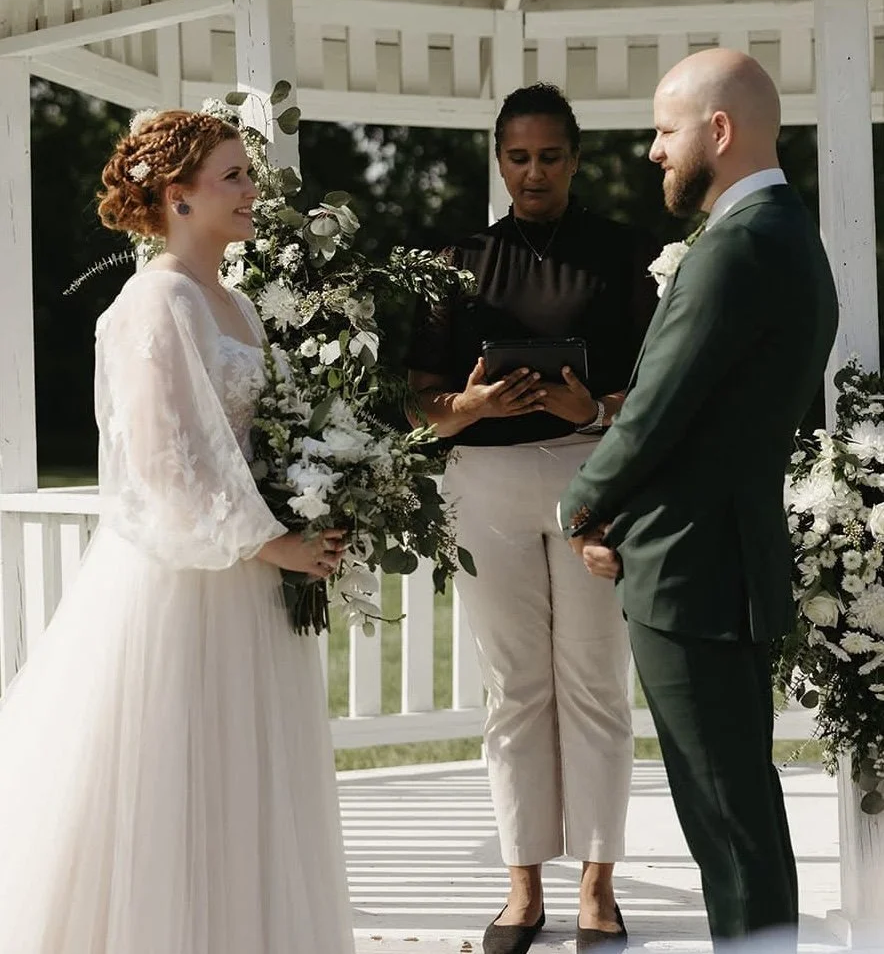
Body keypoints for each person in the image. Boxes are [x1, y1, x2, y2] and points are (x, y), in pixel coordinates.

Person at [0, 110, 355, 954]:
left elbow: (259, 437)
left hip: (251, 578)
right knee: (171, 784)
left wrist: (321, 492)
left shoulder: (233, 303)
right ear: (177, 196)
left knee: (245, 785)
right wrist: (275, 541)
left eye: (246, 173)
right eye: (232, 175)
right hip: (177, 586)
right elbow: (161, 467)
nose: (250, 190)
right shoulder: (154, 303)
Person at [561, 49, 839, 946]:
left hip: (695, 571)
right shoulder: (790, 232)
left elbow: (653, 413)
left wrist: (578, 506)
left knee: (727, 822)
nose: (652, 151)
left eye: (666, 129)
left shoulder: (738, 249)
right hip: (722, 559)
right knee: (739, 813)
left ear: (719, 131)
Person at [407, 84, 658, 954]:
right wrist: (472, 403)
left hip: (593, 476)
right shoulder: (458, 259)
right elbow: (418, 404)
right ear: (499, 158)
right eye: (518, 156)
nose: (534, 171)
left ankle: (597, 886)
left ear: (576, 156)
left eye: (551, 155)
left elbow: (654, 385)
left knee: (594, 685)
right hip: (486, 483)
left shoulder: (624, 255)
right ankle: (523, 888)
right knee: (515, 689)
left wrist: (595, 402)